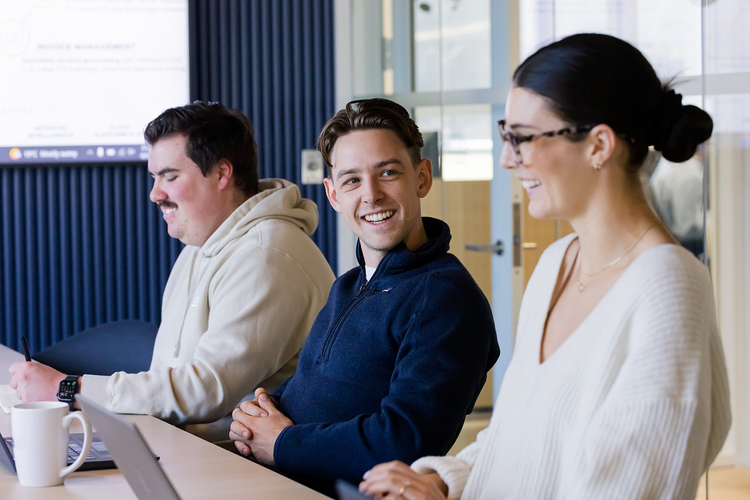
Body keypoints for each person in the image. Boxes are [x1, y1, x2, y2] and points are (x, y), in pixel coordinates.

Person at [359, 33, 731, 500]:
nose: (506, 159)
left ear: (598, 145)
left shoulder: (669, 288)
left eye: (523, 138)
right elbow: (520, 436)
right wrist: (440, 480)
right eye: (505, 134)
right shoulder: (558, 262)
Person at [229, 98, 500, 495]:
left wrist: (283, 443)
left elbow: (405, 441)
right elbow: (310, 389)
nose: (371, 195)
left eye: (388, 172)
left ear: (422, 177)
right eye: (352, 180)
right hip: (271, 481)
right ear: (333, 194)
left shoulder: (445, 298)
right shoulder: (350, 284)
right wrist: (255, 412)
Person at [9, 102, 336, 429]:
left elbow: (205, 391)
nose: (154, 194)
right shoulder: (204, 241)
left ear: (222, 173)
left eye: (170, 177)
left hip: (236, 467)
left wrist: (65, 389)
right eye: (154, 177)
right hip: (182, 448)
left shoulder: (267, 256)